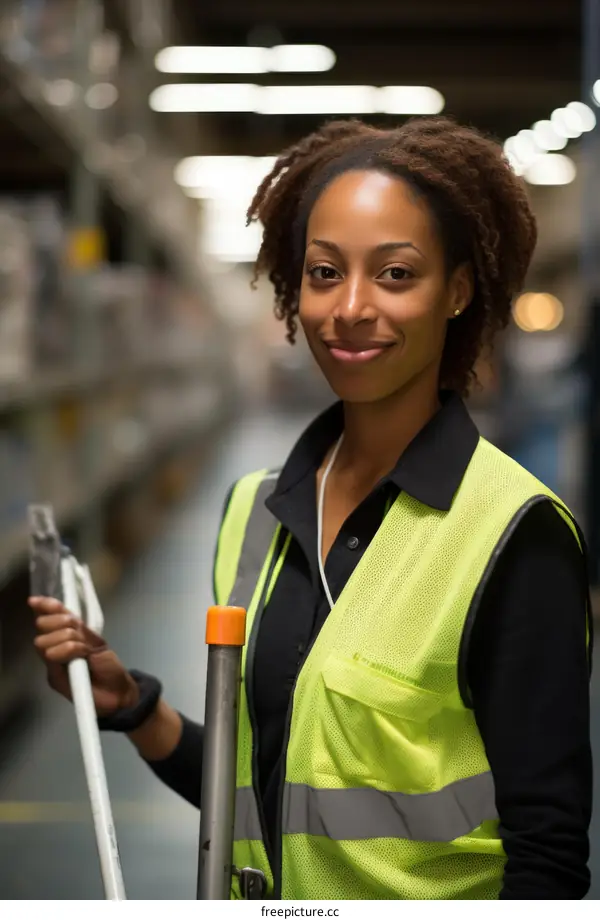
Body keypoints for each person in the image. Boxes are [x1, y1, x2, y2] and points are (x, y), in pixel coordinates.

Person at [29, 116, 593, 901]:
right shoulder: (254, 511)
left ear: (458, 291)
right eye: (325, 273)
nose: (351, 308)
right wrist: (134, 706)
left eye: (396, 274)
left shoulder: (512, 534)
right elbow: (268, 804)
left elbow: (549, 862)